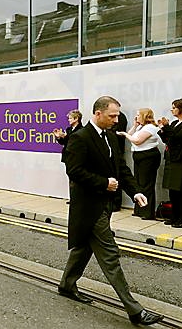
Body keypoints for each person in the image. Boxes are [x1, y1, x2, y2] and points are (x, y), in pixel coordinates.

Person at [59, 96, 163, 326]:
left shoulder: (111, 138)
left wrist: (135, 191)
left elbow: (121, 168)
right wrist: (103, 182)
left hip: (105, 206)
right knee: (110, 255)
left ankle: (66, 284)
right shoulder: (80, 138)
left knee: (84, 249)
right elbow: (74, 171)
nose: (117, 120)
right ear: (98, 114)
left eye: (117, 115)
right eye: (112, 116)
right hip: (89, 208)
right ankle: (134, 310)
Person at [117, 108, 161, 220]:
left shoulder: (151, 127)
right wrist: (135, 126)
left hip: (148, 156)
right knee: (138, 183)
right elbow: (131, 134)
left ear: (144, 116)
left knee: (147, 184)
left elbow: (137, 141)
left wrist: (124, 134)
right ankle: (139, 209)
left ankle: (147, 212)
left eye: (138, 115)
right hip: (138, 156)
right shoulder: (141, 127)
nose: (136, 117)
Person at [158, 98, 182, 228]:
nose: (171, 109)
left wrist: (167, 128)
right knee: (172, 190)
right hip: (171, 160)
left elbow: (178, 138)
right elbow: (168, 140)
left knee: (181, 190)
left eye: (174, 107)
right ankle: (174, 216)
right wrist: (163, 129)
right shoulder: (174, 124)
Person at [109, 111, 128, 211]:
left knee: (117, 176)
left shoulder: (120, 118)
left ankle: (116, 203)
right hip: (114, 150)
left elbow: (116, 132)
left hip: (117, 150)